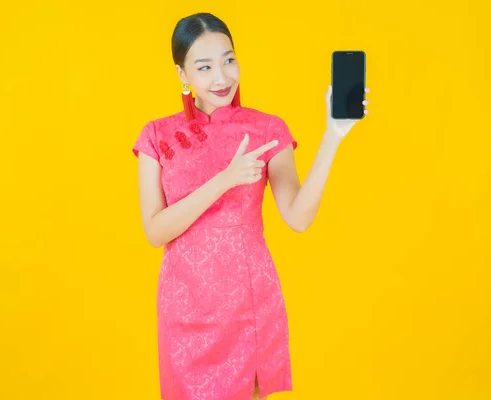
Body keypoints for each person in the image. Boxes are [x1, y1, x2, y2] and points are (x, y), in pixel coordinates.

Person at [132, 12, 370, 400]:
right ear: (182, 75)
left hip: (249, 304)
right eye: (204, 67)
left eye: (229, 60)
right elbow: (154, 230)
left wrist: (333, 135)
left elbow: (297, 217)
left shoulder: (267, 129)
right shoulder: (156, 136)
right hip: (185, 308)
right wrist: (224, 179)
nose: (222, 77)